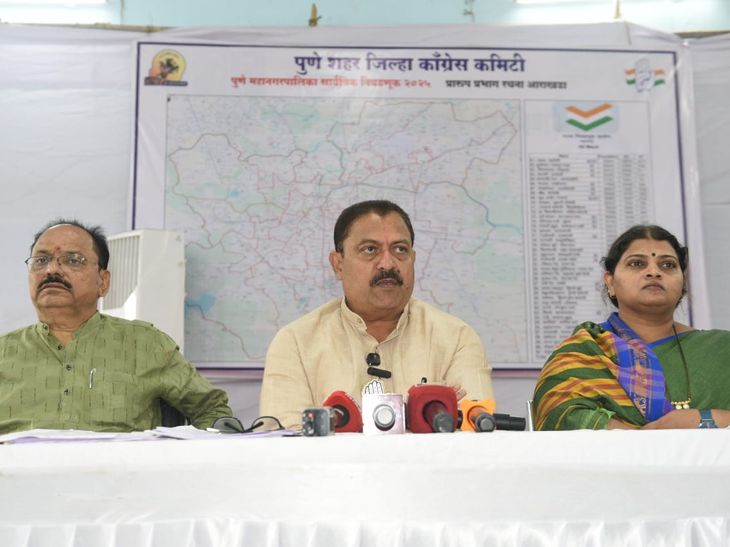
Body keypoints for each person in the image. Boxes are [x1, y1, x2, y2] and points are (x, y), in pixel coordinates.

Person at [259, 199, 493, 429]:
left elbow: (476, 432)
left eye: (400, 250)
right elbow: (286, 440)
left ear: (412, 259)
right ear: (338, 264)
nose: (388, 264)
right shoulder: (296, 343)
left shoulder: (456, 338)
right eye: (370, 250)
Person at [0, 219, 232, 434]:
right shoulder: (4, 352)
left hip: (121, 466)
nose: (51, 270)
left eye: (72, 260)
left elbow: (211, 410)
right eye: (41, 260)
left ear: (103, 282)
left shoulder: (146, 344)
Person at [533, 224, 730, 430]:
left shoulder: (721, 349)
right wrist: (638, 441)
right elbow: (558, 413)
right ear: (610, 282)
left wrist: (704, 418)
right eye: (637, 264)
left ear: (683, 283)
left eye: (668, 265)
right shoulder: (584, 350)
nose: (653, 272)